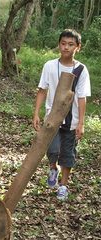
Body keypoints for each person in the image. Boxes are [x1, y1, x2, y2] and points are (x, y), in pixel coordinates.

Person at [32, 29, 91, 200]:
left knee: (68, 152)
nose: (66, 47)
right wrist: (36, 113)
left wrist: (81, 123)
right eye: (63, 43)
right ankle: (53, 167)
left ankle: (63, 185)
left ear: (77, 47)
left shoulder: (81, 70)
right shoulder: (50, 66)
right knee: (51, 147)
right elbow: (42, 90)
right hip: (52, 117)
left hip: (72, 120)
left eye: (71, 44)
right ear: (58, 45)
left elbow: (81, 97)